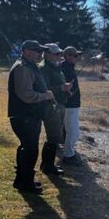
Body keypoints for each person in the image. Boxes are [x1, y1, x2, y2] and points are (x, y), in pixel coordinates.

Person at [8, 40, 55, 194]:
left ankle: (21, 180)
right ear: (27, 51)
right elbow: (25, 95)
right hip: (24, 116)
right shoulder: (23, 68)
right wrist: (45, 96)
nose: (40, 54)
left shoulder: (29, 65)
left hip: (28, 116)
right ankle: (26, 183)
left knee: (26, 147)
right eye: (37, 51)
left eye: (41, 51)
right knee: (30, 149)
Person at [39, 43, 73, 175]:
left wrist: (66, 90)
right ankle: (48, 166)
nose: (60, 56)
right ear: (47, 54)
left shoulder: (56, 67)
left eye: (60, 53)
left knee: (55, 136)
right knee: (54, 136)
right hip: (51, 106)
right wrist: (62, 88)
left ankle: (46, 165)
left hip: (58, 104)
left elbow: (58, 84)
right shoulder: (44, 68)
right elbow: (43, 89)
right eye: (56, 53)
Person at [60, 46, 83, 166]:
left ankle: (67, 150)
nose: (76, 58)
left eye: (77, 55)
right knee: (73, 132)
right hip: (70, 105)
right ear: (67, 56)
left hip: (71, 104)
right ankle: (68, 155)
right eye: (74, 55)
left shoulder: (68, 67)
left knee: (67, 129)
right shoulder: (65, 69)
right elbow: (64, 87)